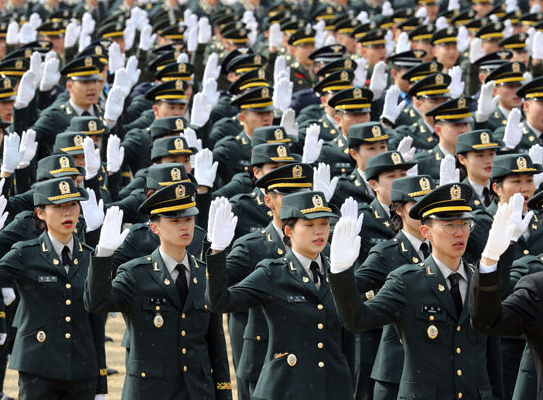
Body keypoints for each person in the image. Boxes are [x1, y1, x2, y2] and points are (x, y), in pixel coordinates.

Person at [328, 182, 525, 399]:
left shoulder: (479, 280)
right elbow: (357, 319)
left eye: (464, 224)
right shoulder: (407, 282)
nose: (459, 233)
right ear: (426, 232)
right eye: (449, 225)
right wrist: (340, 271)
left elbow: (492, 354)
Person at [84, 182, 232, 400]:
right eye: (175, 221)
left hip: (198, 391)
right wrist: (103, 255)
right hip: (151, 391)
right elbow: (96, 303)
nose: (184, 227)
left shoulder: (204, 274)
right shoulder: (136, 274)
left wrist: (224, 393)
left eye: (189, 219)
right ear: (155, 228)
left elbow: (216, 344)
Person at [206, 191, 356, 400]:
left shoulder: (336, 271)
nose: (319, 231)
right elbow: (220, 302)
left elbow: (348, 336)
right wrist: (217, 252)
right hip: (285, 387)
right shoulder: (273, 273)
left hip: (332, 388)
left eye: (324, 224)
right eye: (309, 225)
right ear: (288, 230)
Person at [0, 177, 107, 400]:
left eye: (72, 205)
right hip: (38, 368)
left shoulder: (90, 257)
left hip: (82, 369)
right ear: (40, 213)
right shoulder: (25, 253)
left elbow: (97, 324)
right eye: (58, 206)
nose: (67, 213)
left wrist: (101, 385)